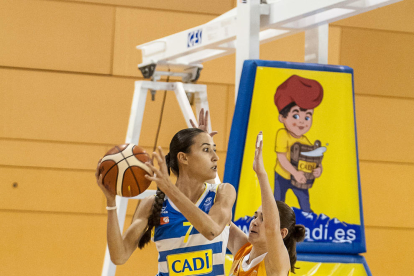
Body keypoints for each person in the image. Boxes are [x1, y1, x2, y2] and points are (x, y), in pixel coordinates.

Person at [95, 110, 236, 276]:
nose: (215, 157)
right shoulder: (152, 204)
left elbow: (211, 230)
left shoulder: (224, 192)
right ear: (183, 158)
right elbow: (119, 256)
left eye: (214, 149)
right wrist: (111, 203)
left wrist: (169, 187)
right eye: (206, 150)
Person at [228, 132, 305, 276]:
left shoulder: (277, 263)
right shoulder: (243, 250)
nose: (255, 222)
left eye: (263, 218)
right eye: (255, 216)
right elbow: (221, 214)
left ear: (282, 233)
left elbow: (271, 228)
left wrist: (261, 174)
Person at [273, 75, 324, 213]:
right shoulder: (282, 135)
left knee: (305, 203)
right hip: (283, 175)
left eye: (307, 117)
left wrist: (318, 169)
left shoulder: (305, 141)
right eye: (296, 115)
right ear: (282, 117)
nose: (302, 121)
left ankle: (309, 219)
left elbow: (313, 159)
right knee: (277, 203)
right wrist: (294, 173)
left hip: (301, 177)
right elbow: (282, 158)